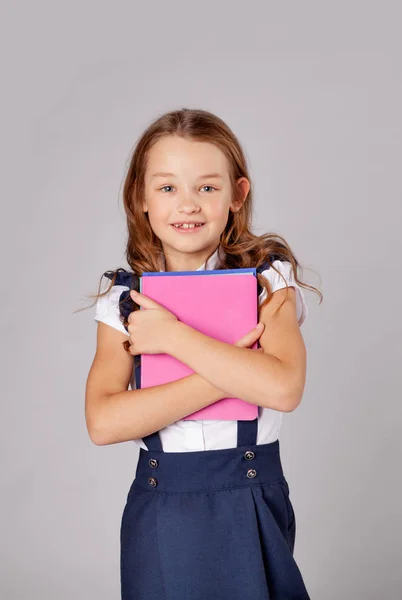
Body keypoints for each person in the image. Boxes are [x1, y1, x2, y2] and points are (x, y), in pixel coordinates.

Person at [85, 108, 322, 599]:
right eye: (168, 188)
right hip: (162, 505)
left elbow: (282, 387)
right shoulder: (123, 300)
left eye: (207, 188)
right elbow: (104, 421)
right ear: (141, 197)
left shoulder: (268, 281)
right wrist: (234, 372)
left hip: (252, 494)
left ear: (238, 195)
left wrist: (174, 338)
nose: (187, 204)